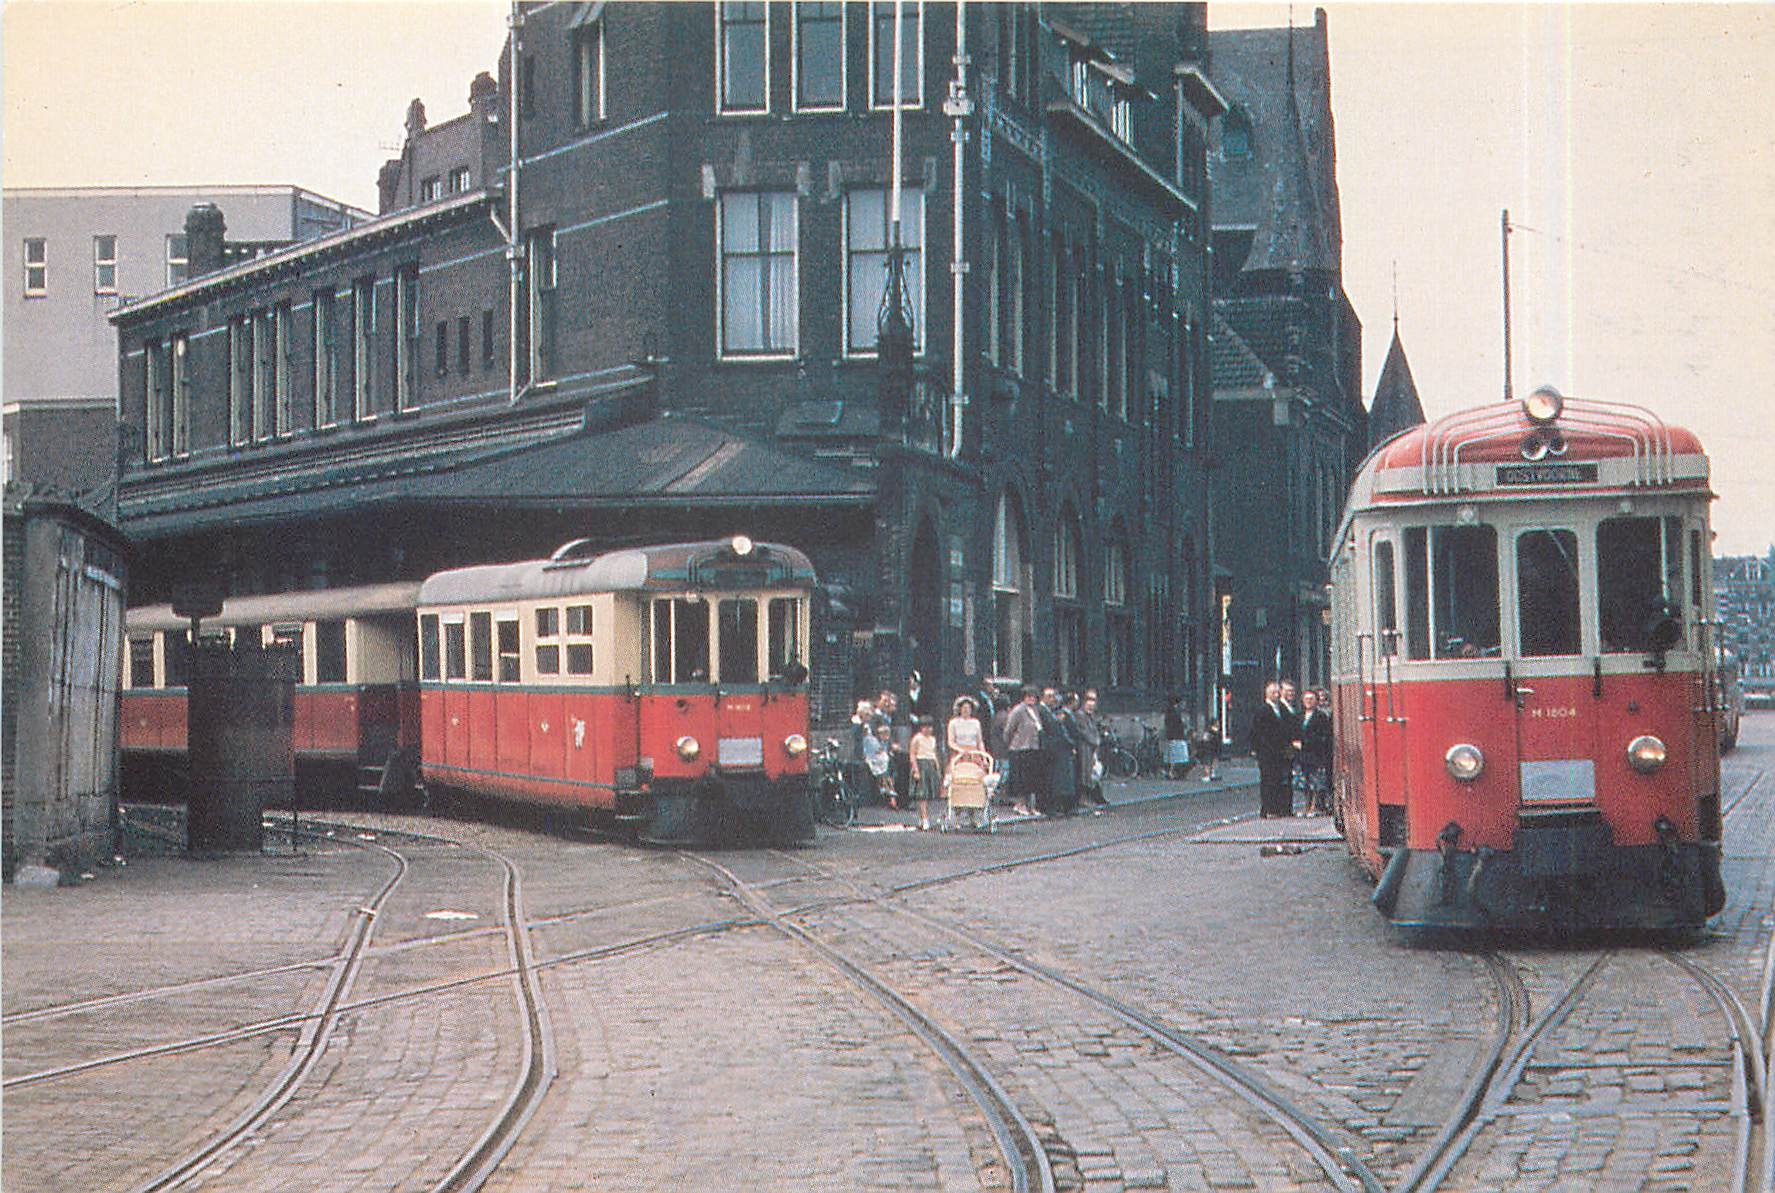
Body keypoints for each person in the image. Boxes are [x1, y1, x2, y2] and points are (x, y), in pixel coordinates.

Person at [1249, 681, 1295, 818]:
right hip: (1267, 753)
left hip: (1280, 753)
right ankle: (1269, 809)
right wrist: (1257, 749)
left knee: (1279, 780)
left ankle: (1280, 808)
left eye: (1277, 692)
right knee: (1268, 781)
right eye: (1273, 693)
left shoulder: (1281, 709)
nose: (1276, 695)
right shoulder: (1262, 710)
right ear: (1267, 694)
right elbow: (1256, 732)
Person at [946, 695, 992, 829]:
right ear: (959, 709)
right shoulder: (953, 723)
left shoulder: (976, 723)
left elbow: (979, 741)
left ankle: (975, 816)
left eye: (969, 708)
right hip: (960, 754)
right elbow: (950, 741)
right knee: (960, 783)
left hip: (974, 754)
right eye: (964, 708)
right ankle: (957, 817)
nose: (966, 710)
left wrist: (983, 756)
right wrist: (961, 750)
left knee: (976, 783)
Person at [1003, 686, 1043, 817]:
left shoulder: (1035, 710)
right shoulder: (1018, 711)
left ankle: (1031, 806)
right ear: (1024, 697)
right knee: (1021, 780)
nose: (1031, 698)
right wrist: (1011, 744)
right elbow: (1009, 730)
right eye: (1028, 696)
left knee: (1032, 779)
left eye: (1034, 696)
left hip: (1033, 748)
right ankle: (1020, 805)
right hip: (1020, 749)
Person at [1037, 687, 1077, 816]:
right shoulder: (1042, 711)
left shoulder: (1051, 711)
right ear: (1043, 697)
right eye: (1049, 696)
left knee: (1058, 779)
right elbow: (1048, 730)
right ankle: (1049, 807)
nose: (1052, 699)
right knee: (1051, 779)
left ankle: (1058, 806)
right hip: (1050, 750)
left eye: (1053, 696)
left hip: (1057, 749)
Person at [1295, 688, 1333, 815]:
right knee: (1304, 783)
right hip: (1302, 755)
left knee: (1315, 783)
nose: (1308, 702)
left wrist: (1306, 742)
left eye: (1311, 699)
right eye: (1306, 699)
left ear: (1316, 701)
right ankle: (1306, 805)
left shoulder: (1321, 716)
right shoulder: (1299, 716)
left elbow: (1323, 736)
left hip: (1315, 754)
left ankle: (1314, 807)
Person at [1073, 689, 1109, 810]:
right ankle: (1083, 798)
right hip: (1084, 749)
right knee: (1085, 773)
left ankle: (1094, 797)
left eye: (1093, 700)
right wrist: (1096, 741)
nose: (1091, 703)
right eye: (1089, 700)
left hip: (1092, 749)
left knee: (1092, 773)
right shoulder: (1080, 715)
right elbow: (1084, 732)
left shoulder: (1091, 716)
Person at [909, 716, 942, 830]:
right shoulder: (917, 739)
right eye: (925, 727)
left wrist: (937, 768)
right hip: (921, 765)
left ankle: (922, 817)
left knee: (928, 795)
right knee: (921, 794)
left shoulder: (933, 739)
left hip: (930, 765)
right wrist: (916, 770)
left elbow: (934, 754)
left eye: (929, 727)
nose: (927, 729)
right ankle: (924, 818)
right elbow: (912, 755)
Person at [1163, 695, 1192, 779]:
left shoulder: (1169, 712)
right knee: (1177, 756)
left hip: (1171, 736)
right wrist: (1183, 726)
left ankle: (1171, 772)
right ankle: (1173, 772)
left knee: (1172, 756)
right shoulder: (1175, 712)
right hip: (1177, 736)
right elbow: (1178, 724)